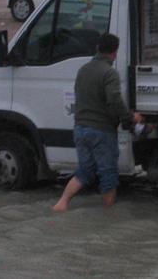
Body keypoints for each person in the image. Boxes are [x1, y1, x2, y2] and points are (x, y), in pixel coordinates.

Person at [53, 33, 142, 212]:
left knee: (85, 172)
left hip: (80, 129)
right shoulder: (109, 73)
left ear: (97, 48)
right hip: (101, 131)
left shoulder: (83, 70)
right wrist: (131, 117)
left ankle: (62, 203)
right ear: (114, 53)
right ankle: (107, 215)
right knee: (108, 174)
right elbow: (114, 100)